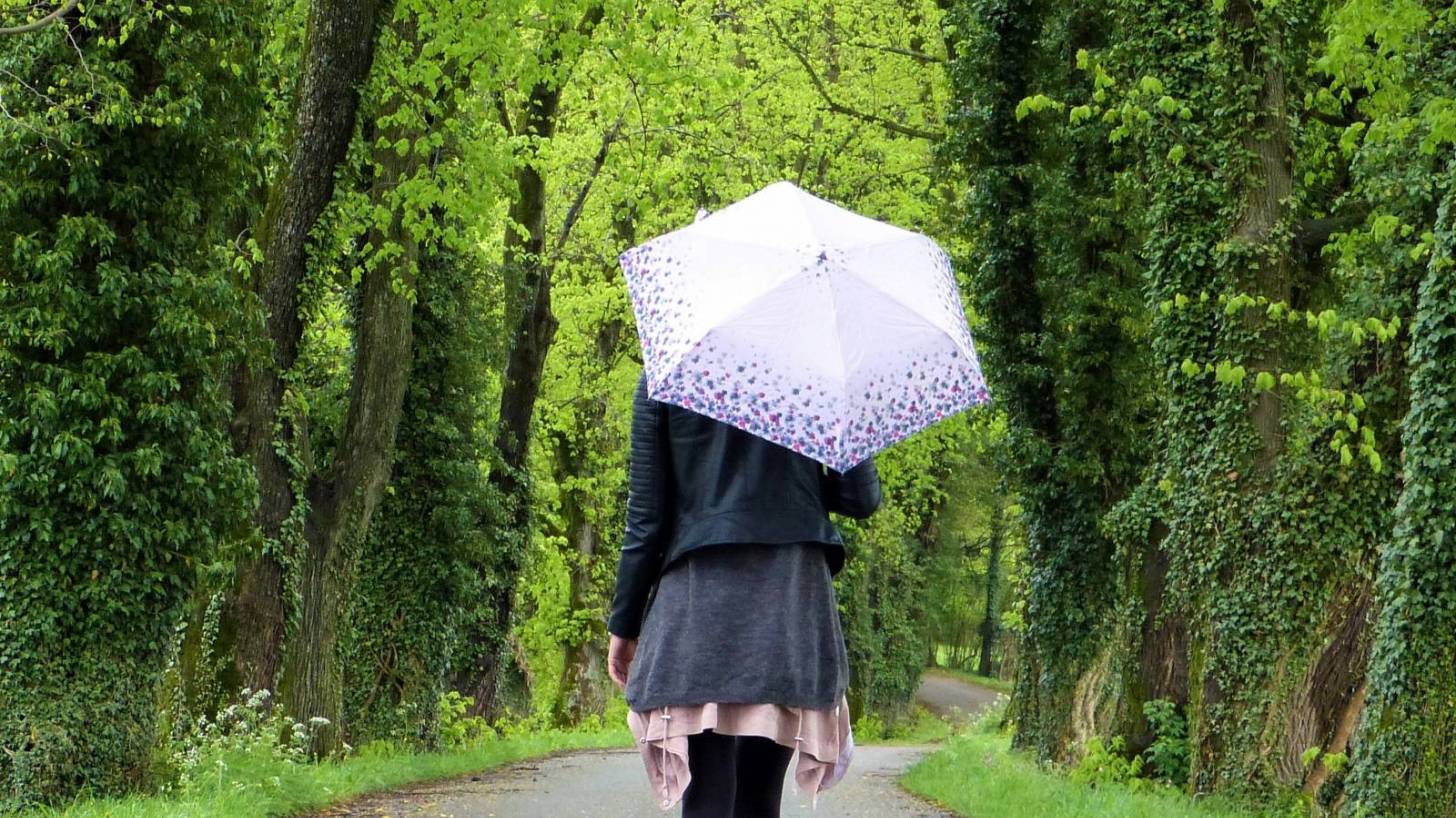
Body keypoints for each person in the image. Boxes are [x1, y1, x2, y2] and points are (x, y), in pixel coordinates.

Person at [606, 374, 882, 817]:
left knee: (706, 792)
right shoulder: (816, 372)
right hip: (789, 596)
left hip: (700, 598)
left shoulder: (669, 372)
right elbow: (861, 497)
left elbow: (646, 518)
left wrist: (625, 623)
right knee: (760, 795)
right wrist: (801, 480)